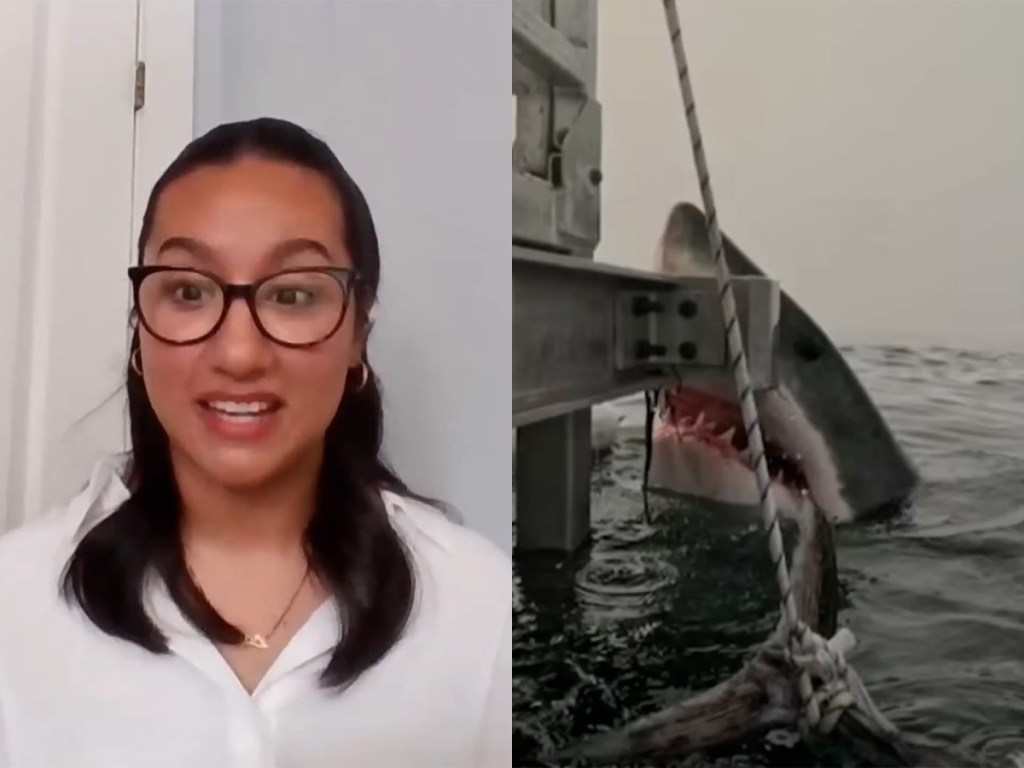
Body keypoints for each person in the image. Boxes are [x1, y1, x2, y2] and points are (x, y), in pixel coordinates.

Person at [0, 117, 511, 767]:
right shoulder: (13, 606)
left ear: (358, 330)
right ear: (140, 324)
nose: (239, 353)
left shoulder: (477, 605)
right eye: (188, 291)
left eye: (293, 294)